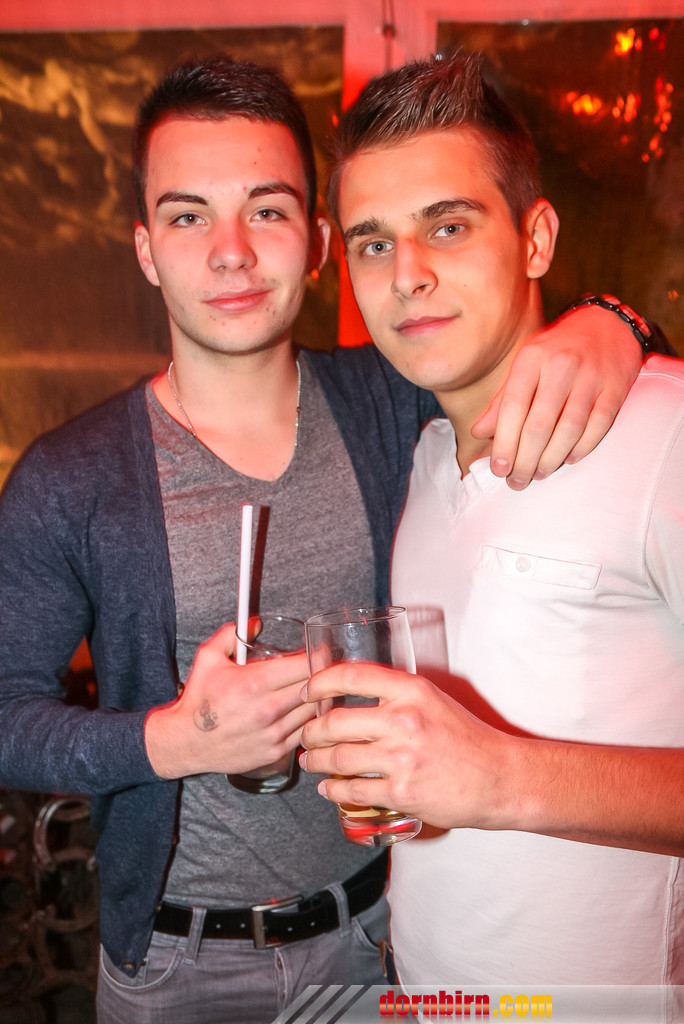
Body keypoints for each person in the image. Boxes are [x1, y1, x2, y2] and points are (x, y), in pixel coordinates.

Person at [0, 55, 660, 1024]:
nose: (230, 252)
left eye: (265, 210)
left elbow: (504, 333)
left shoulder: (390, 400)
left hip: (376, 942)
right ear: (145, 249)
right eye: (188, 216)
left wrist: (612, 322)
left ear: (315, 243)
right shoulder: (72, 477)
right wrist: (173, 738)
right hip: (179, 968)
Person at [300, 51, 684, 1007]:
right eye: (374, 243)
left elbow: (487, 777)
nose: (408, 274)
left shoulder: (666, 432)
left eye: (448, 226)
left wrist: (497, 777)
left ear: (536, 238)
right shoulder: (423, 459)